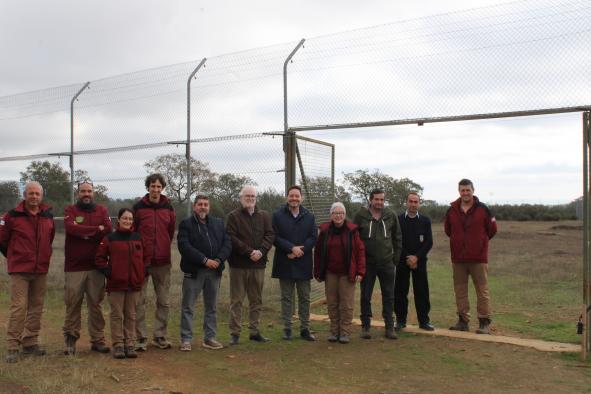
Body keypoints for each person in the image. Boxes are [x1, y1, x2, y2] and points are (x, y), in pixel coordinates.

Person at [0, 182, 55, 363]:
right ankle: (13, 346)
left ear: (41, 196)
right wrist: (15, 256)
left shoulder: (47, 216)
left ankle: (30, 343)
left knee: (36, 307)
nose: (34, 197)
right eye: (30, 193)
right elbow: (2, 240)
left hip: (40, 270)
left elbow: (50, 238)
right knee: (19, 307)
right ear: (25, 195)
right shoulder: (12, 216)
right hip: (20, 270)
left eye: (37, 194)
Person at [62, 180, 112, 355]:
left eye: (89, 191)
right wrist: (94, 230)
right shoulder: (70, 210)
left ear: (93, 193)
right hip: (74, 267)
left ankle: (98, 340)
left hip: (96, 267)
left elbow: (108, 228)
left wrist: (82, 230)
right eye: (83, 191)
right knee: (72, 304)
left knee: (96, 304)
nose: (86, 194)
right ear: (78, 193)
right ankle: (70, 341)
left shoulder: (102, 210)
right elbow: (71, 229)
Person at [178, 195, 231, 351]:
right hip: (194, 272)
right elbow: (184, 246)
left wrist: (219, 260)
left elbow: (227, 243)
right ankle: (186, 340)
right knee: (188, 306)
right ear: (194, 207)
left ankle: (209, 338)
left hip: (214, 272)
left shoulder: (219, 223)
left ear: (209, 207)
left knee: (211, 306)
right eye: (200, 204)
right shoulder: (186, 224)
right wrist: (204, 260)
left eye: (205, 204)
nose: (203, 207)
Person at [444, 178, 497, 334]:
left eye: (468, 190)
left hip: (478, 259)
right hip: (458, 258)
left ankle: (484, 322)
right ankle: (463, 321)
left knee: (482, 291)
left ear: (473, 190)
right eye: (462, 190)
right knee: (460, 290)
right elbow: (448, 230)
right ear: (459, 191)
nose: (465, 193)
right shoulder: (452, 210)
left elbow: (492, 229)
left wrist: (479, 243)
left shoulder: (483, 209)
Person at [96, 208, 149, 359]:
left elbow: (146, 257)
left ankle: (130, 345)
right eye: (125, 218)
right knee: (117, 315)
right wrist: (109, 273)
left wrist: (142, 272)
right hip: (116, 285)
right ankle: (118, 345)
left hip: (134, 285)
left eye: (130, 219)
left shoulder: (138, 237)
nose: (127, 221)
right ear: (118, 220)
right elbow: (99, 258)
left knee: (131, 315)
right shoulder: (110, 238)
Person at [226, 185, 274, 345]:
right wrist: (249, 252)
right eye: (247, 196)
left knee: (256, 300)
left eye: (253, 196)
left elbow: (270, 235)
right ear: (241, 198)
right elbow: (231, 238)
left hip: (258, 265)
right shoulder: (233, 216)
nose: (250, 199)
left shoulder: (264, 216)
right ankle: (235, 333)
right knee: (237, 300)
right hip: (238, 265)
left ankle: (254, 332)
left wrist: (260, 251)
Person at [133, 173, 176, 350]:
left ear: (162, 188)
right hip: (142, 261)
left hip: (163, 262)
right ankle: (140, 338)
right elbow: (133, 232)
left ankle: (160, 336)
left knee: (164, 301)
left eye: (159, 187)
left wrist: (163, 246)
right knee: (139, 301)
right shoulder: (138, 207)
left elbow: (171, 231)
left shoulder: (169, 207)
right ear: (148, 187)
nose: (155, 190)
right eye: (153, 186)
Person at [353, 188, 402, 340]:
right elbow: (354, 239)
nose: (379, 202)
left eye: (382, 199)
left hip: (387, 263)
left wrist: (395, 259)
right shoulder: (361, 216)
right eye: (377, 199)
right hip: (367, 263)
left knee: (389, 295)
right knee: (365, 295)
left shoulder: (390, 215)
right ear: (370, 200)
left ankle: (389, 327)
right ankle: (366, 326)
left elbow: (397, 237)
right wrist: (357, 262)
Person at [271, 185, 318, 341]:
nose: (294, 198)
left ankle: (305, 328)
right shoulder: (277, 216)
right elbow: (275, 237)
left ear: (301, 198)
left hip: (303, 262)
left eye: (297, 196)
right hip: (285, 261)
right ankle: (287, 328)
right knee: (286, 297)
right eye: (291, 196)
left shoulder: (310, 216)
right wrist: (290, 248)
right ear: (287, 198)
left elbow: (313, 237)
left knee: (305, 297)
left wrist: (300, 251)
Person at [314, 202, 365, 344]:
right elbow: (318, 253)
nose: (338, 215)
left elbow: (360, 251)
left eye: (341, 213)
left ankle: (345, 332)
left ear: (344, 215)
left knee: (346, 304)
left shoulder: (352, 230)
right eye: (335, 213)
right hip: (330, 273)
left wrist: (360, 271)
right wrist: (317, 271)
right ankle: (334, 331)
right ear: (331, 215)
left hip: (347, 273)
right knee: (332, 303)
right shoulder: (324, 231)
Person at [395, 192, 434, 331]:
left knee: (422, 291)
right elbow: (397, 242)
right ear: (406, 202)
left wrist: (416, 257)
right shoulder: (398, 219)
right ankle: (400, 321)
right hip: (402, 261)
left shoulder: (425, 220)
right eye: (410, 201)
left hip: (420, 261)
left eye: (415, 202)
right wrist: (408, 258)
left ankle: (424, 321)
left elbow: (429, 242)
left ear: (419, 203)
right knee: (400, 291)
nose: (413, 204)